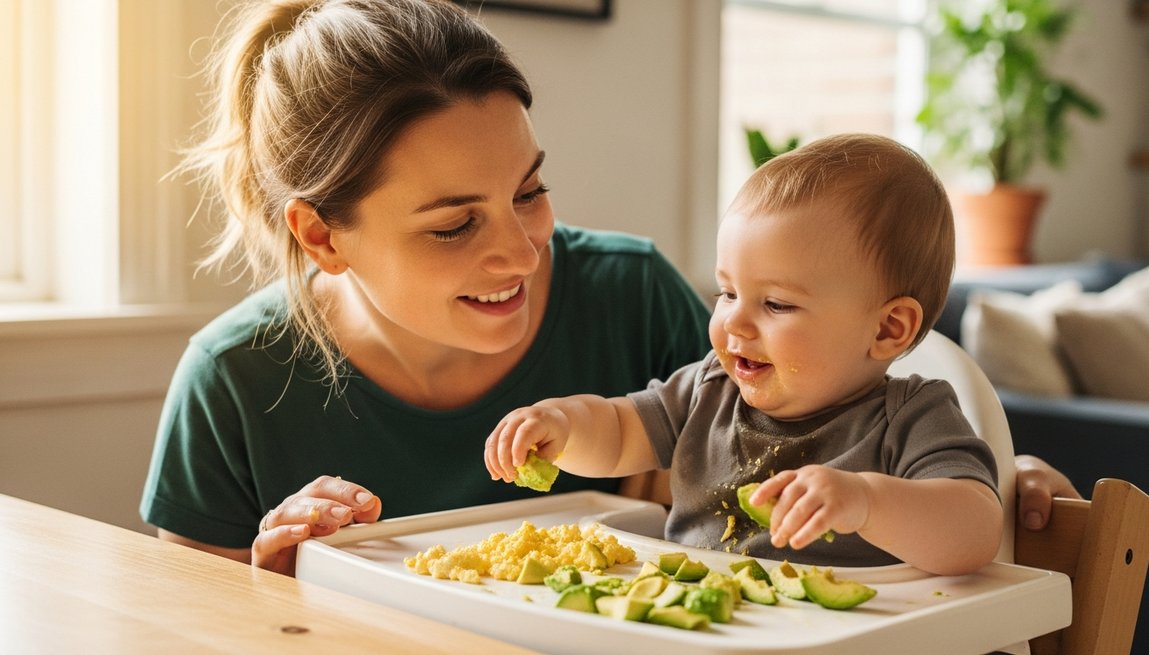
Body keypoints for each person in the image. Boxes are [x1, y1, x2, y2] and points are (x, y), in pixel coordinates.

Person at [142, 0, 1080, 577]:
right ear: (320, 234)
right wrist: (266, 589)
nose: (520, 250)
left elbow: (813, 405)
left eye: (530, 190)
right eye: (455, 223)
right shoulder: (231, 380)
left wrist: (993, 480)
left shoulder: (629, 295)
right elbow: (175, 624)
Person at [486, 135, 1003, 575]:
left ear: (889, 328)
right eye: (727, 293)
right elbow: (620, 431)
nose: (733, 321)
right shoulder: (709, 390)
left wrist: (865, 502)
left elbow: (976, 528)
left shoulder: (911, 418)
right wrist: (563, 423)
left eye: (776, 304)